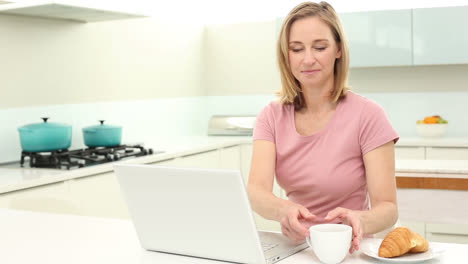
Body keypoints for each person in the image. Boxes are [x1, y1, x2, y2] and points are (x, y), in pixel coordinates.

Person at [247, 1, 399, 254]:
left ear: (339, 49)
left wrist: (360, 219)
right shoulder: (271, 116)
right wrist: (283, 211)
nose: (308, 59)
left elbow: (388, 208)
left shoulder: (369, 115)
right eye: (296, 49)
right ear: (286, 54)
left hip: (349, 250)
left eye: (320, 47)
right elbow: (256, 191)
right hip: (296, 251)